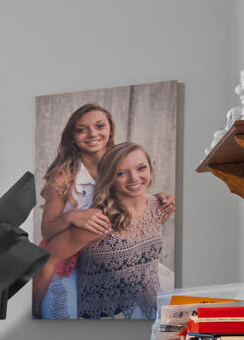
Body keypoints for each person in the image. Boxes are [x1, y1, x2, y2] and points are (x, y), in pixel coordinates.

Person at [73, 142, 174, 319]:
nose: (134, 178)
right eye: (121, 173)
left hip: (150, 304)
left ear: (150, 169)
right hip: (105, 314)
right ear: (109, 178)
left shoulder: (158, 206)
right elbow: (52, 258)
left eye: (141, 168)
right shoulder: (98, 220)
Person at [33, 103, 116, 317]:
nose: (92, 134)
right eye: (82, 129)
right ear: (73, 136)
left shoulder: (123, 167)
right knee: (61, 317)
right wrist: (72, 217)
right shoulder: (63, 177)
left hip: (104, 258)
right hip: (63, 259)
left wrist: (161, 199)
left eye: (99, 126)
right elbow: (47, 231)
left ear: (110, 130)